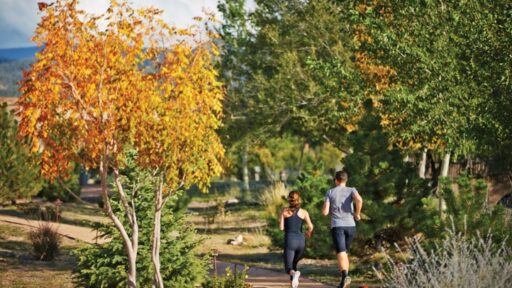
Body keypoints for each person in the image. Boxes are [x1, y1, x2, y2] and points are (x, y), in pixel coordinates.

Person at [322, 171, 363, 288]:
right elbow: (359, 200)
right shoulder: (352, 190)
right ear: (346, 180)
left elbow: (325, 212)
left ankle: (345, 276)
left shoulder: (330, 192)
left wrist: (325, 207)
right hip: (351, 225)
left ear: (336, 180)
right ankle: (343, 282)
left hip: (337, 225)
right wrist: (357, 213)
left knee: (341, 252)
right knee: (344, 253)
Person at [279, 191, 314, 288]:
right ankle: (293, 284)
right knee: (294, 263)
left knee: (288, 268)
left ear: (289, 200)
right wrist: (308, 233)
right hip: (301, 241)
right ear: (299, 200)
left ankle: (294, 275)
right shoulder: (304, 212)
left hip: (290, 241)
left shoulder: (284, 211)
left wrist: (282, 215)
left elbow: (281, 228)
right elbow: (311, 226)